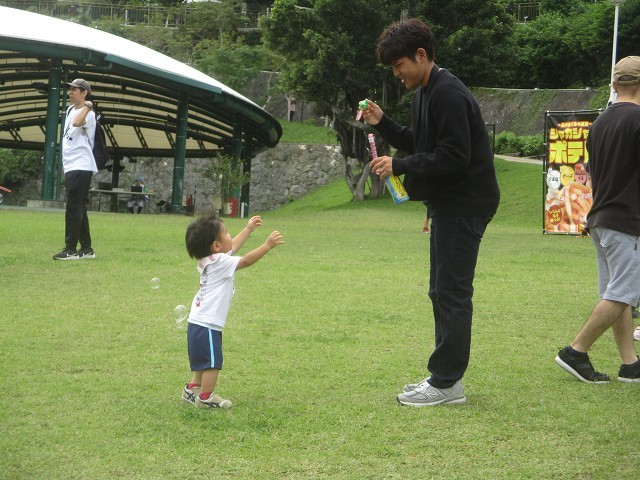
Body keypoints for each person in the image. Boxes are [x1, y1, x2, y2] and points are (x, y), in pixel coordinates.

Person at [364, 19, 500, 406]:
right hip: (447, 204)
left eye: (399, 65)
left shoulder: (448, 93)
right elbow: (421, 142)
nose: (397, 74)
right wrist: (383, 123)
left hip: (466, 202)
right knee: (440, 290)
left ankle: (447, 382)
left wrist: (399, 165)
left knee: (452, 292)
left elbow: (455, 156)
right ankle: (443, 377)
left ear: (421, 55)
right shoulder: (423, 93)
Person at [555, 56, 640, 384]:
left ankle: (630, 364)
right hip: (627, 220)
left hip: (601, 218)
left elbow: (592, 172)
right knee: (623, 293)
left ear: (615, 84)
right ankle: (575, 351)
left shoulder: (600, 123)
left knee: (616, 293)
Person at [181, 213, 284, 408]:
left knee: (203, 360)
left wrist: (248, 229)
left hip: (197, 320)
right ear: (216, 245)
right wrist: (267, 245)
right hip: (208, 323)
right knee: (212, 363)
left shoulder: (209, 259)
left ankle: (192, 389)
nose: (230, 236)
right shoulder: (220, 262)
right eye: (226, 233)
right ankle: (205, 397)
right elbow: (245, 261)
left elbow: (233, 245)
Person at [53, 78, 97, 260]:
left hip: (81, 164)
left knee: (73, 207)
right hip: (72, 164)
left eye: (74, 90)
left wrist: (88, 106)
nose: (70, 93)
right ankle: (86, 249)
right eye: (70, 89)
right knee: (79, 207)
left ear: (84, 93)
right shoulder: (71, 109)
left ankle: (70, 249)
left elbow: (77, 123)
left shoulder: (89, 114)